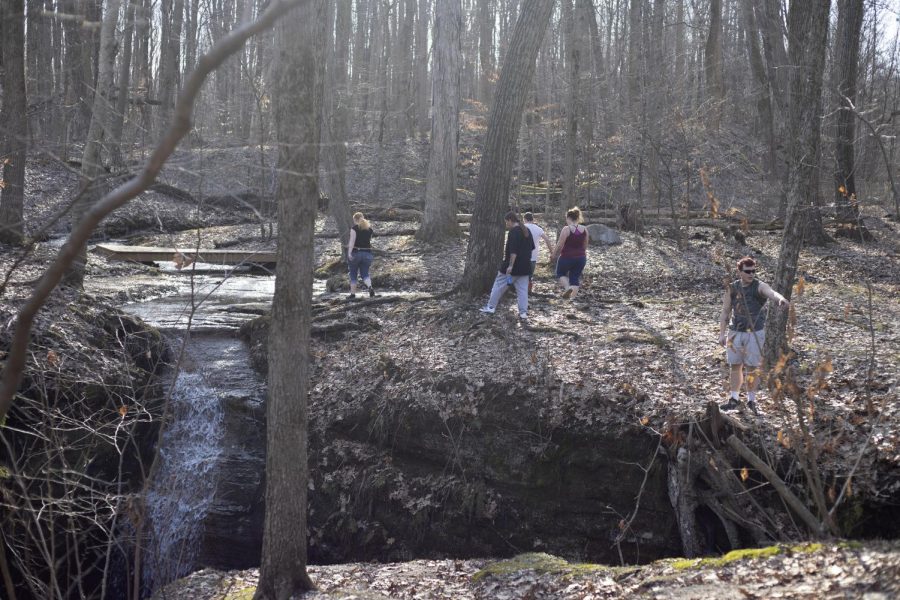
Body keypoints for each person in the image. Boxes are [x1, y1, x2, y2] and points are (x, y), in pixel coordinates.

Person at [718, 256, 790, 412]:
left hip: (754, 333)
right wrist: (722, 334)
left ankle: (751, 401)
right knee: (735, 366)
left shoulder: (759, 286)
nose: (751, 274)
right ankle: (734, 399)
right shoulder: (732, 288)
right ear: (740, 272)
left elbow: (771, 293)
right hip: (735, 331)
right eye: (747, 271)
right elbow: (725, 311)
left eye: (753, 271)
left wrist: (781, 299)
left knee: (752, 367)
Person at [479, 211, 535, 319]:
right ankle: (523, 313)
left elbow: (513, 252)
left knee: (498, 285)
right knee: (523, 291)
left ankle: (491, 307)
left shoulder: (514, 232)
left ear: (510, 220)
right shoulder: (527, 231)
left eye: (506, 222)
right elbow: (532, 248)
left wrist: (510, 265)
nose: (506, 225)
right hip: (525, 267)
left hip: (512, 267)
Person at [551, 206, 589, 299]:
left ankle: (567, 288)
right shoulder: (585, 229)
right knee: (574, 277)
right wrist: (581, 254)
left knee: (560, 273)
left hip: (566, 257)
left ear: (568, 218)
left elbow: (560, 244)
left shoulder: (566, 229)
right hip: (581, 258)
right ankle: (572, 299)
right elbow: (585, 245)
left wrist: (553, 254)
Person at [347, 212, 376, 300]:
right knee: (365, 274)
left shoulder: (354, 229)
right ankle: (370, 287)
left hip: (356, 253)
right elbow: (368, 241)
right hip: (367, 254)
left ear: (355, 220)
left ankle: (352, 294)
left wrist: (349, 253)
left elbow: (352, 242)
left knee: (353, 273)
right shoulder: (370, 229)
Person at [523, 212, 554, 293]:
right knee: (529, 274)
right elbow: (547, 239)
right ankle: (528, 290)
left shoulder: (522, 227)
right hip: (533, 256)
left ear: (525, 219)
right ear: (532, 219)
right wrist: (551, 252)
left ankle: (521, 289)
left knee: (520, 274)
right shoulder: (538, 229)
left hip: (521, 255)